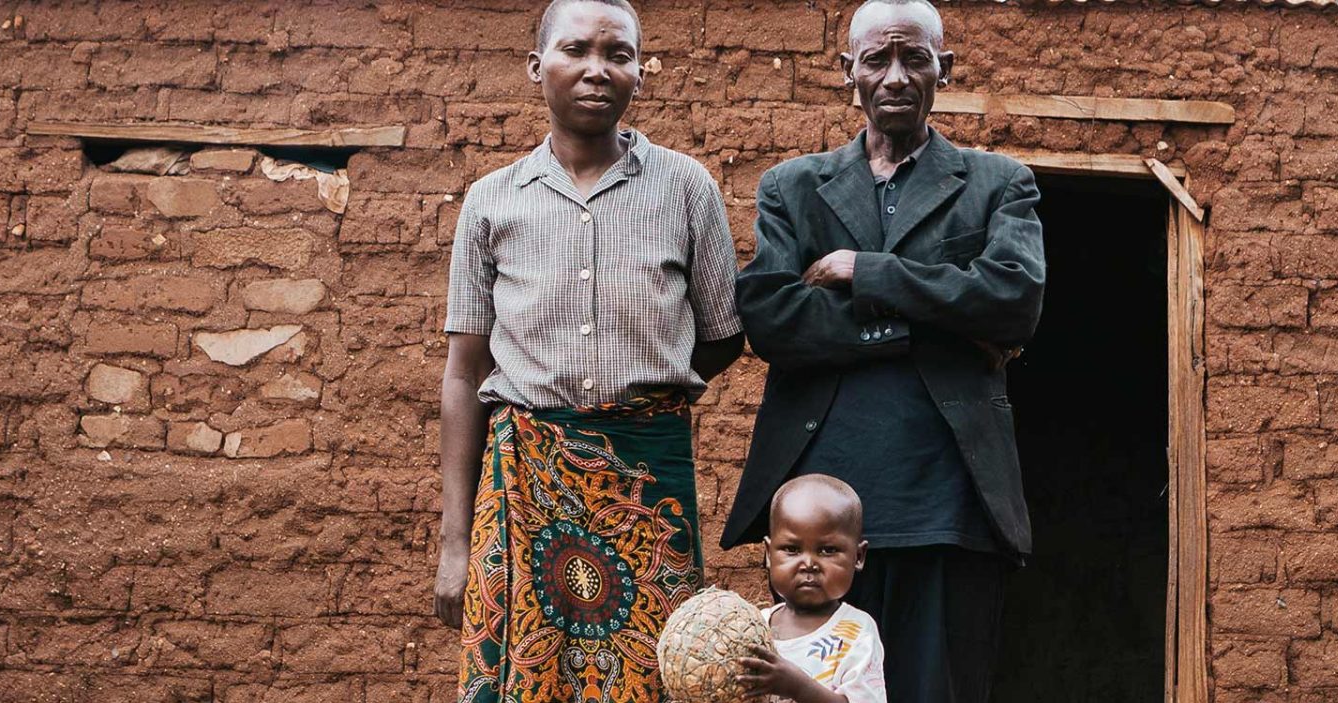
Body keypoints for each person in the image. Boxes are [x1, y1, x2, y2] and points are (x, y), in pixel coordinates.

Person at [720, 0, 1047, 701]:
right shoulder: (793, 187)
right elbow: (772, 317)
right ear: (849, 72)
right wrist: (928, 322)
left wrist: (866, 273)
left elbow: (1014, 299)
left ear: (944, 69)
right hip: (818, 516)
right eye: (877, 59)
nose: (896, 75)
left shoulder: (998, 184)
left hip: (947, 505)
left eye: (915, 58)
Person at [430, 0, 746, 700]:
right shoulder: (491, 202)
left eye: (619, 53)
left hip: (646, 481)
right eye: (576, 49)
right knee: (521, 673)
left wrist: (642, 393)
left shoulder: (686, 187)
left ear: (641, 71)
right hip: (522, 481)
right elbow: (463, 373)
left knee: (653, 670)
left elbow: (723, 335)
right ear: (537, 65)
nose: (598, 69)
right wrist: (454, 543)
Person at [735, 475, 887, 703]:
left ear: (858, 556)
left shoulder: (857, 632)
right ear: (768, 553)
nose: (808, 564)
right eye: (792, 549)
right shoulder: (754, 627)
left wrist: (798, 688)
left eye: (827, 550)